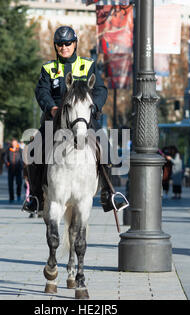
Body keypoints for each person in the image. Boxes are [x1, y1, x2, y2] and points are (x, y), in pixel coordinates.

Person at [23, 25, 128, 214]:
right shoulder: (48, 68)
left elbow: (101, 90)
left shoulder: (88, 64)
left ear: (75, 44)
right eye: (60, 44)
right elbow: (42, 91)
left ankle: (108, 194)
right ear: (56, 46)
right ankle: (36, 196)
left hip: (84, 118)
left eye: (68, 43)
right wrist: (52, 108)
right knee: (34, 151)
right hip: (56, 120)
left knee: (106, 150)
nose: (64, 47)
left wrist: (92, 106)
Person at [5, 138, 23, 203]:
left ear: (17, 143)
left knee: (19, 183)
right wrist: (7, 163)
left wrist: (21, 164)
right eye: (13, 143)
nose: (14, 144)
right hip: (11, 169)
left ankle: (18, 195)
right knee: (10, 184)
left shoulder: (20, 150)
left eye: (15, 143)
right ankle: (11, 198)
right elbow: (5, 158)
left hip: (18, 169)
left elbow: (23, 158)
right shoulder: (8, 150)